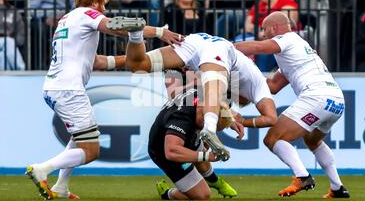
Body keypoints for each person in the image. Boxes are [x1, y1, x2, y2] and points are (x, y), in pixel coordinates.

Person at [25, 0, 183, 200]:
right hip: (68, 90)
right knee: (91, 151)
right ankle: (42, 169)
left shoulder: (66, 19)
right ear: (96, 2)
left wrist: (133, 60)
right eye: (105, 3)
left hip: (55, 88)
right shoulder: (85, 14)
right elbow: (115, 26)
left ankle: (61, 186)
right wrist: (159, 32)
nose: (106, 8)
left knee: (79, 136)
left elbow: (97, 61)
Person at [103, 27, 278, 161]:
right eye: (237, 100)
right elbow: (271, 118)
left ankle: (130, 40)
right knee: (213, 86)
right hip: (219, 47)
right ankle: (209, 130)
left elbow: (196, 88)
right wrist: (241, 120)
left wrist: (231, 117)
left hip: (196, 41)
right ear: (245, 97)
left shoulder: (230, 82)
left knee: (139, 65)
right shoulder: (259, 85)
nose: (232, 99)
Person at [235, 12, 350, 199]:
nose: (263, 34)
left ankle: (302, 176)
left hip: (316, 97)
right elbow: (272, 87)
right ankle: (338, 187)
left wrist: (226, 48)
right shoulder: (295, 52)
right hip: (336, 100)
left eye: (264, 30)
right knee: (312, 140)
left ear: (274, 28)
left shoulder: (287, 38)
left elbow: (259, 47)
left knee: (273, 139)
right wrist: (246, 83)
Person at [150, 88, 239, 200]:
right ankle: (167, 193)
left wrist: (230, 121)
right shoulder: (181, 118)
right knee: (202, 195)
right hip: (162, 150)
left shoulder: (207, 97)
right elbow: (171, 151)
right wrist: (207, 156)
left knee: (203, 144)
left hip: (184, 135)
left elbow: (222, 103)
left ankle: (213, 181)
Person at [238, 0, 298, 72]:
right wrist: (259, 31)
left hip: (279, 41)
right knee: (237, 42)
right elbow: (247, 26)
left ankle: (260, 80)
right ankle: (237, 81)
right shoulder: (258, 5)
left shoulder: (287, 2)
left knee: (263, 53)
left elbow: (283, 24)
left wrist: (264, 32)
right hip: (257, 37)